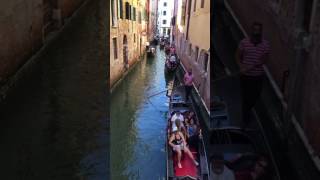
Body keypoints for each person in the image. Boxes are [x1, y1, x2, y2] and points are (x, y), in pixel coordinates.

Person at [235, 22, 270, 127]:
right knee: (246, 98)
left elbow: (265, 58)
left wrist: (260, 62)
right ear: (252, 31)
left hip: (258, 76)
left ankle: (248, 111)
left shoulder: (265, 44)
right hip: (245, 76)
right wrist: (241, 67)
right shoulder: (244, 43)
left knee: (255, 96)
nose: (256, 32)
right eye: (254, 30)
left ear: (260, 32)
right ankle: (245, 121)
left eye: (258, 30)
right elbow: (237, 55)